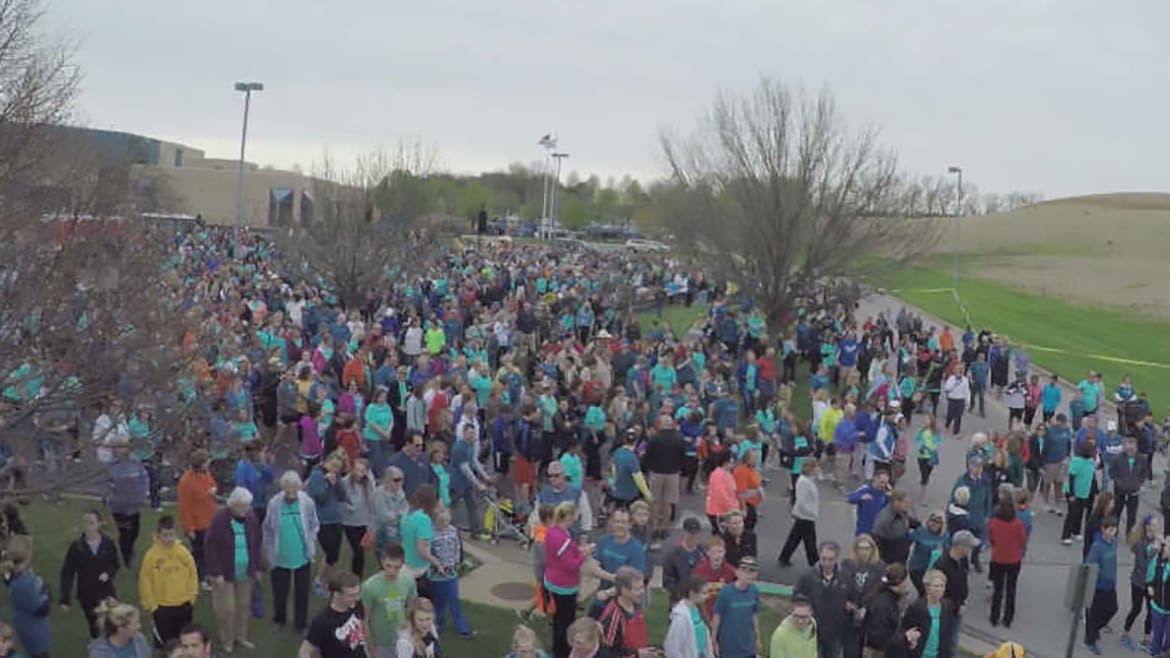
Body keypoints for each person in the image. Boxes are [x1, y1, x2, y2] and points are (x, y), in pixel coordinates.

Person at [546, 502, 612, 658]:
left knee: (557, 620)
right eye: (574, 518)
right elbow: (571, 565)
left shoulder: (552, 532)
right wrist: (585, 553)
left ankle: (557, 648)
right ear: (568, 517)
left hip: (553, 580)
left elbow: (564, 554)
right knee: (566, 622)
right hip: (565, 585)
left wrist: (580, 550)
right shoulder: (563, 538)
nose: (575, 521)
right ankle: (563, 651)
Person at [204, 486, 264, 652]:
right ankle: (227, 640)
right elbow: (210, 547)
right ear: (232, 504)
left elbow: (257, 543)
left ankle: (241, 636)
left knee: (244, 605)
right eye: (242, 506)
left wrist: (258, 566)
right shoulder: (220, 519)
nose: (245, 510)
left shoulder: (251, 518)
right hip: (224, 573)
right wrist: (215, 573)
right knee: (227, 609)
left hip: (245, 572)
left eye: (247, 506)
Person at [263, 470, 319, 633]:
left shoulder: (307, 502)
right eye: (287, 490)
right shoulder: (274, 503)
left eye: (294, 490)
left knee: (302, 592)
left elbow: (314, 523)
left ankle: (301, 624)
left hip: (302, 556)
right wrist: (268, 548)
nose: (291, 494)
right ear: (282, 488)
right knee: (280, 592)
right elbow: (267, 527)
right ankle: (279, 619)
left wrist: (311, 541)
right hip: (280, 557)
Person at [60, 509, 121, 639]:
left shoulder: (108, 543)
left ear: (99, 524)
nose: (88, 526)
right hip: (87, 594)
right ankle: (98, 646)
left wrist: (108, 573)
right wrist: (65, 598)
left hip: (106, 591)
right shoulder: (77, 547)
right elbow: (68, 572)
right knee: (94, 623)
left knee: (111, 621)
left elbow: (115, 564)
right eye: (85, 522)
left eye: (91, 523)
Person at [138, 515, 198, 648]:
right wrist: (152, 605)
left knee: (184, 640)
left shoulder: (183, 553)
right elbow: (145, 581)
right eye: (165, 535)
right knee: (166, 643)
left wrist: (191, 598)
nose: (169, 539)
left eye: (172, 534)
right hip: (162, 607)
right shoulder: (151, 556)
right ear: (158, 535)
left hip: (183, 605)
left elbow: (193, 576)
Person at [794, 542, 850, 658]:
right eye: (823, 559)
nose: (827, 563)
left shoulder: (845, 577)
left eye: (831, 559)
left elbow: (852, 597)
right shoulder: (808, 576)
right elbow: (797, 596)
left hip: (835, 633)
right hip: (813, 631)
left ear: (836, 558)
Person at [361, 543, 417, 658]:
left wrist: (406, 625)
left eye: (397, 567)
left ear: (402, 564)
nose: (392, 571)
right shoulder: (369, 587)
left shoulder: (408, 581)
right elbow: (364, 620)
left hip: (402, 639)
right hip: (380, 643)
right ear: (382, 562)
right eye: (388, 566)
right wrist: (371, 647)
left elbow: (411, 605)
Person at [430, 506, 475, 638]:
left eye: (446, 521)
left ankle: (463, 628)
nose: (444, 524)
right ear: (435, 520)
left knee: (454, 601)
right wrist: (436, 567)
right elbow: (429, 553)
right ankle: (439, 624)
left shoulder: (453, 530)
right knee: (439, 602)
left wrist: (456, 563)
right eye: (441, 521)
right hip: (437, 576)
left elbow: (457, 547)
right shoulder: (431, 533)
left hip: (452, 574)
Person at [299, 571, 368, 658]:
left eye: (357, 593)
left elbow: (361, 630)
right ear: (337, 594)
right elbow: (304, 652)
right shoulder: (322, 621)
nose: (357, 598)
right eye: (351, 595)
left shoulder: (356, 604)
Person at [308, 451, 349, 588]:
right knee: (330, 553)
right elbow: (321, 499)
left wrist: (336, 483)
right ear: (327, 461)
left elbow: (343, 496)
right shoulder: (317, 475)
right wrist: (329, 484)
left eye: (338, 467)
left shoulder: (335, 476)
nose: (335, 469)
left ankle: (330, 580)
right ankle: (320, 580)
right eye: (333, 465)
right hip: (323, 520)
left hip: (336, 519)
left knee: (334, 555)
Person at [595, 567, 657, 658]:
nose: (643, 592)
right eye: (637, 589)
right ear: (624, 590)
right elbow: (608, 652)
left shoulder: (635, 605)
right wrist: (637, 654)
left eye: (642, 588)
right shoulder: (614, 617)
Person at [6, 535, 50, 658]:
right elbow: (42, 610)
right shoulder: (25, 583)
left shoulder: (14, 576)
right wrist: (45, 591)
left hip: (24, 625)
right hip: (34, 630)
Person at [176, 449, 217, 586]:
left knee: (209, 551)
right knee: (199, 552)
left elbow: (212, 485)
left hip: (210, 520)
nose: (209, 464)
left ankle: (207, 574)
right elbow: (184, 507)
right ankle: (199, 577)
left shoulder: (206, 474)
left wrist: (213, 490)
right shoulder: (186, 482)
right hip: (197, 523)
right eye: (207, 462)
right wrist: (189, 529)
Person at [107, 440, 150, 568]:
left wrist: (143, 495)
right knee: (125, 533)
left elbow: (144, 479)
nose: (121, 451)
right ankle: (126, 560)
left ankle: (129, 550)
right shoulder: (111, 467)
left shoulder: (136, 463)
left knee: (134, 532)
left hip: (134, 506)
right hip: (118, 507)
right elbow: (105, 485)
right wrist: (109, 497)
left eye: (123, 448)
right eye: (118, 448)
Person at [895, 570, 957, 658]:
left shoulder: (947, 606)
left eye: (942, 586)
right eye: (936, 586)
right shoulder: (917, 607)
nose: (939, 589)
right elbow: (905, 628)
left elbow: (947, 634)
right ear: (927, 588)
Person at [711, 556, 762, 658]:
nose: (748, 575)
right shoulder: (726, 592)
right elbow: (717, 617)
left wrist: (758, 639)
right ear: (737, 572)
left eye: (751, 571)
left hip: (748, 646)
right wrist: (714, 641)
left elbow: (754, 615)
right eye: (744, 571)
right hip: (728, 647)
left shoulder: (754, 591)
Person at [1122, 515, 1159, 651]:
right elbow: (1142, 565)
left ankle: (1146, 637)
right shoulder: (1140, 543)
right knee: (1136, 608)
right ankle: (1125, 631)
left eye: (1157, 525)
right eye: (1154, 525)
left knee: (1151, 610)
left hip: (1151, 582)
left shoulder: (1155, 540)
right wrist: (1154, 550)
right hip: (1138, 582)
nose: (1156, 528)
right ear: (1147, 527)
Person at [986, 502, 1026, 628]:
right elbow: (1022, 540)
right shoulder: (1018, 524)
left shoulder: (993, 523)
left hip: (998, 558)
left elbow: (991, 539)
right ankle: (1008, 618)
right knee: (1011, 589)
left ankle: (994, 617)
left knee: (998, 590)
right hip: (1014, 560)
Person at [1084, 516, 1120, 655]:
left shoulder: (1114, 542)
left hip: (1111, 584)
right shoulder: (1097, 546)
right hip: (1099, 586)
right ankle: (1090, 640)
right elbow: (1090, 565)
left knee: (1112, 609)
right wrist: (1097, 580)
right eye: (1110, 529)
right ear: (1103, 530)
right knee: (1094, 613)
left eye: (1114, 529)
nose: (1113, 532)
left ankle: (1094, 629)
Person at [401, 485, 443, 600]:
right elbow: (422, 550)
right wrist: (437, 563)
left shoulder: (407, 514)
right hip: (418, 571)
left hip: (405, 564)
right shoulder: (424, 520)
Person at [450, 422, 490, 540]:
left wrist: (485, 476)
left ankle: (475, 530)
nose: (473, 436)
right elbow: (465, 468)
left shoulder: (471, 446)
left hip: (467, 483)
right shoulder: (459, 447)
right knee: (453, 505)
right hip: (457, 482)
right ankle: (449, 528)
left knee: (472, 505)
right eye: (470, 433)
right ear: (464, 433)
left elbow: (474, 461)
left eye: (474, 433)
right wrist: (478, 483)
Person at [862, 563, 909, 658]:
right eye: (905, 581)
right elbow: (878, 637)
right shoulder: (883, 605)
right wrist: (905, 638)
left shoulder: (887, 599)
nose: (907, 585)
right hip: (879, 653)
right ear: (899, 582)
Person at [779, 459, 820, 567]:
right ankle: (814, 562)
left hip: (805, 515)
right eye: (816, 467)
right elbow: (800, 501)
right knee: (810, 541)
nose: (818, 469)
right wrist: (811, 513)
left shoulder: (808, 480)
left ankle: (784, 557)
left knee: (795, 537)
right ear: (811, 469)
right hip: (806, 516)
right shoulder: (804, 482)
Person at [340, 457, 376, 577]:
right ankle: (356, 577)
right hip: (349, 523)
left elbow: (372, 503)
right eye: (357, 469)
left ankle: (356, 577)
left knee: (361, 552)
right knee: (358, 551)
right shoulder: (344, 482)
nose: (358, 473)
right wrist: (348, 507)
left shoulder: (368, 484)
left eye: (362, 471)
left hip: (363, 522)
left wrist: (371, 524)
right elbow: (339, 500)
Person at [665, 575, 715, 658]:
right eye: (704, 593)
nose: (707, 596)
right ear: (692, 593)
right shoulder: (680, 617)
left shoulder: (700, 610)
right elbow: (673, 648)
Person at [85, 599, 152, 658]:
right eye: (135, 624)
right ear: (121, 628)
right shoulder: (99, 653)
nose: (139, 626)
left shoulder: (140, 640)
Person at [692, 536, 737, 621]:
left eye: (720, 552)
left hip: (725, 616)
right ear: (708, 553)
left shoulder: (731, 571)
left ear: (725, 552)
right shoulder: (698, 571)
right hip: (704, 615)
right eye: (714, 552)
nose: (718, 556)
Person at [1061, 440, 1096, 546]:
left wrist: (1095, 491)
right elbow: (1071, 477)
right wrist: (1072, 494)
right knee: (1072, 513)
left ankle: (1076, 530)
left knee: (1080, 512)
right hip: (1073, 491)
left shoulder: (1091, 461)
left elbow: (1092, 477)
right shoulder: (1076, 461)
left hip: (1084, 491)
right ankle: (1065, 535)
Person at [1111, 437, 1147, 534]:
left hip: (1134, 492)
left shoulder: (1141, 459)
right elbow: (1112, 472)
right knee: (1116, 512)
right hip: (1120, 491)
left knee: (1132, 515)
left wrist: (1139, 482)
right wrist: (1119, 483)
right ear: (1124, 447)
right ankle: (1114, 532)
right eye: (1128, 448)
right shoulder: (1118, 458)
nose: (1130, 450)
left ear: (1136, 447)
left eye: (1132, 448)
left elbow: (1144, 472)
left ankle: (1129, 534)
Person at [870, 490, 917, 566]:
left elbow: (908, 520)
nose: (908, 505)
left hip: (902, 553)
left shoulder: (902, 511)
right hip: (891, 556)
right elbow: (876, 540)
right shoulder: (885, 519)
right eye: (905, 503)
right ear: (896, 502)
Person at [660, 516, 701, 598]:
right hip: (679, 599)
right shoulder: (673, 555)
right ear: (684, 532)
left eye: (695, 533)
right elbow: (667, 579)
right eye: (690, 533)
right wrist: (678, 594)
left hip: (700, 598)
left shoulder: (703, 554)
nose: (693, 536)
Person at [907, 512, 946, 597]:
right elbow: (906, 541)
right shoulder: (920, 531)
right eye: (932, 520)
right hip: (917, 569)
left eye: (938, 522)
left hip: (935, 571)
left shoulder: (945, 535)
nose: (934, 524)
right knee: (924, 593)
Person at [847, 471, 891, 537]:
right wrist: (861, 497)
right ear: (875, 478)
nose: (883, 485)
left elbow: (887, 510)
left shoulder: (885, 494)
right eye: (881, 482)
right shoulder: (866, 489)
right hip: (863, 530)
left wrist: (890, 497)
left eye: (885, 483)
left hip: (877, 530)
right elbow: (851, 499)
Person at [704, 451, 738, 534]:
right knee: (720, 536)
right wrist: (732, 508)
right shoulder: (718, 475)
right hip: (719, 512)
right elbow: (721, 495)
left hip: (724, 511)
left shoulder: (727, 473)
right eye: (732, 462)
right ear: (725, 462)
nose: (733, 464)